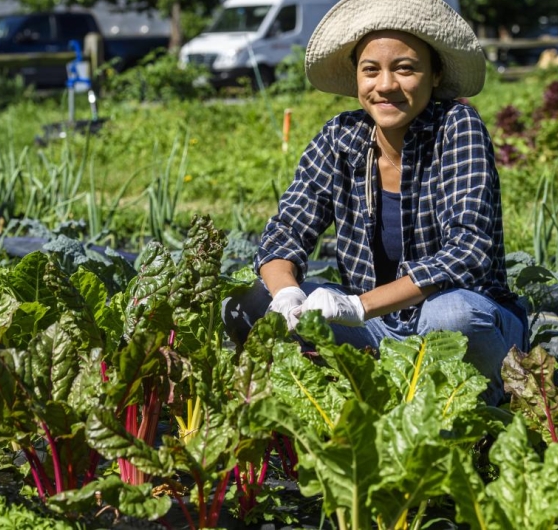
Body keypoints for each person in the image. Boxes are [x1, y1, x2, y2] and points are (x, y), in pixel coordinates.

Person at [223, 0, 527, 405]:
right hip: (376, 327)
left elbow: (467, 253)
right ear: (357, 78)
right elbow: (285, 233)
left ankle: (481, 400)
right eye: (371, 70)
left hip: (456, 322)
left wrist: (357, 305)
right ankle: (351, 402)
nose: (385, 85)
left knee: (451, 316)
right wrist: (286, 296)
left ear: (435, 75)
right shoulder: (340, 138)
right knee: (249, 302)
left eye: (405, 68)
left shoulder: (457, 127)